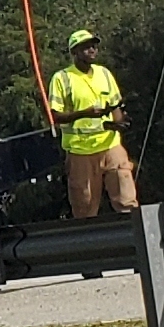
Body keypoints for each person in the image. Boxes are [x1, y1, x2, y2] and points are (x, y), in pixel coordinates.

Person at [47, 28, 136, 217]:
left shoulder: (104, 73)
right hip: (81, 152)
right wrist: (84, 114)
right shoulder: (62, 79)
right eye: (86, 47)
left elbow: (115, 106)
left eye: (94, 46)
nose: (92, 50)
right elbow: (55, 116)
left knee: (126, 197)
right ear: (75, 52)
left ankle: (135, 235)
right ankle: (91, 241)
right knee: (85, 207)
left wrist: (119, 123)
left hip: (110, 144)